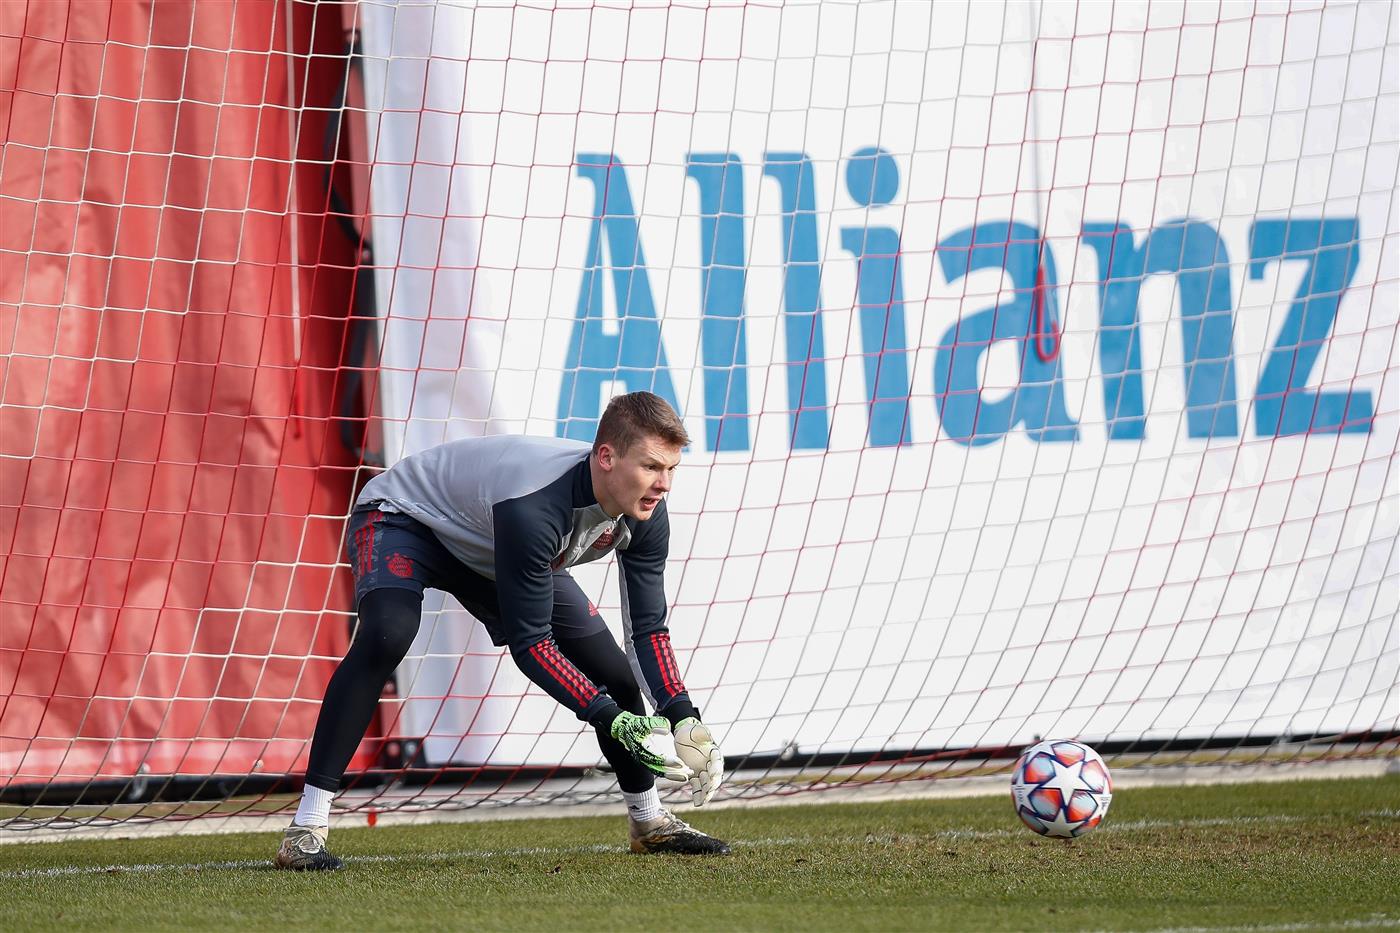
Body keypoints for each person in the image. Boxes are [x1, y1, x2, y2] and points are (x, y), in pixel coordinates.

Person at [275, 392, 728, 870]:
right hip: (406, 519)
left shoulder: (646, 513)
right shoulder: (536, 505)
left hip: (494, 547)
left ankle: (649, 821)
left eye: (672, 468)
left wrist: (683, 714)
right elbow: (531, 645)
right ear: (607, 457)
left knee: (614, 672)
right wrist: (611, 719)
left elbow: (648, 629)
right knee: (389, 631)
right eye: (653, 466)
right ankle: (306, 828)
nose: (664, 484)